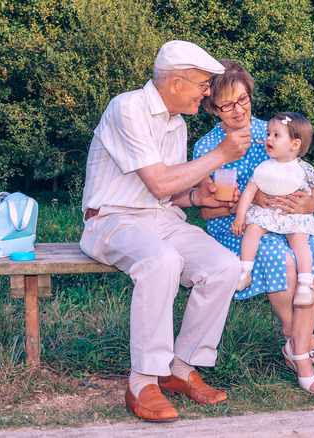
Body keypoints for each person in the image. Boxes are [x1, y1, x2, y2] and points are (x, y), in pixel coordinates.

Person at [79, 41, 253, 423]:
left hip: (161, 219)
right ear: (176, 83)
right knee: (161, 260)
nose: (207, 92)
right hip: (111, 219)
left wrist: (198, 195)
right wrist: (221, 155)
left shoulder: (177, 123)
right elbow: (157, 183)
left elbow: (170, 193)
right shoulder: (127, 107)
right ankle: (142, 380)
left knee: (224, 265)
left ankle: (180, 366)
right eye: (203, 84)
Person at [193, 60, 314, 394]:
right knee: (281, 260)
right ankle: (301, 351)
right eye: (227, 104)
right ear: (213, 108)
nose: (238, 110)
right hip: (238, 229)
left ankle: (294, 345)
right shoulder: (205, 147)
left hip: (289, 223)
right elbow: (208, 214)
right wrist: (245, 202)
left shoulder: (274, 132)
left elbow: (309, 189)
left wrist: (311, 206)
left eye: (243, 99)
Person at [231, 112, 314, 310]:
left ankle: (305, 284)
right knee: (252, 230)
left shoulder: (306, 170)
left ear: (295, 144)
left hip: (293, 215)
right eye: (268, 133)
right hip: (267, 213)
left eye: (276, 135)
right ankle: (245, 271)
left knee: (299, 242)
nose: (268, 138)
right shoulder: (264, 167)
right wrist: (241, 215)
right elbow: (249, 192)